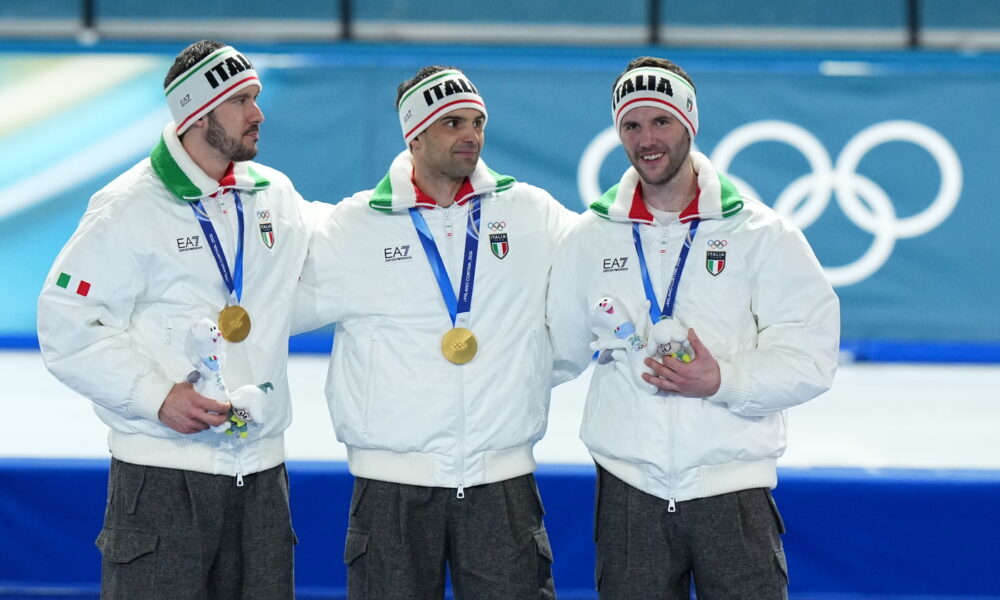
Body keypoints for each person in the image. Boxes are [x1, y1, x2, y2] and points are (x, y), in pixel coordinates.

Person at [546, 56, 840, 598]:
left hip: (733, 491)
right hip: (628, 492)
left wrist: (722, 381)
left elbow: (813, 358)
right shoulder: (589, 237)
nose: (646, 139)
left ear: (690, 123)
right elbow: (555, 352)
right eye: (631, 125)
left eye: (661, 121)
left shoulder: (761, 233)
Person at [37, 40, 322, 599]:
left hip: (262, 476)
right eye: (241, 100)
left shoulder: (275, 196)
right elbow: (65, 322)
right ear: (197, 111)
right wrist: (155, 395)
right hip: (161, 477)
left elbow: (336, 265)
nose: (258, 114)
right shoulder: (128, 207)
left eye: (256, 98)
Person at [294, 65, 576, 599]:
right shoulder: (355, 226)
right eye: (452, 123)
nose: (471, 135)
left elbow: (595, 284)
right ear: (414, 135)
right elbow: (272, 306)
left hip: (502, 480)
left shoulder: (530, 213)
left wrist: (535, 371)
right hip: (391, 483)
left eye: (477, 122)